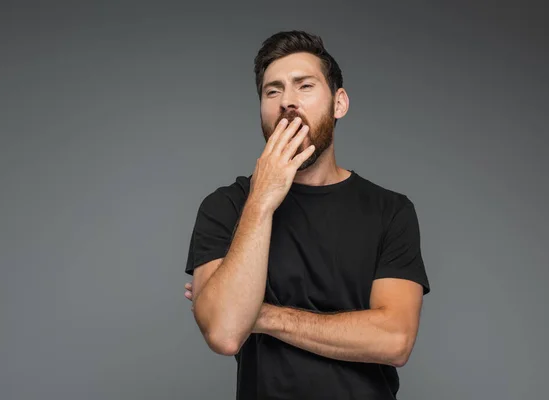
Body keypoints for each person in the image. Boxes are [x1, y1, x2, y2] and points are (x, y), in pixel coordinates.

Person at [182, 30, 431, 400]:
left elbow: (394, 339)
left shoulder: (390, 211)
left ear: (339, 103)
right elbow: (225, 332)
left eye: (304, 86)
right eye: (273, 91)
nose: (287, 102)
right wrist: (262, 200)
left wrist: (258, 314)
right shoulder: (226, 207)